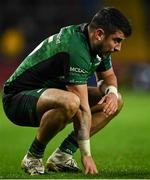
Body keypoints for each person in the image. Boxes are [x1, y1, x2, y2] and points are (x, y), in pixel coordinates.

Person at [2, 7, 132, 175]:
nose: (118, 47)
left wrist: (112, 92)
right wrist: (86, 155)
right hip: (17, 99)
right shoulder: (76, 47)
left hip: (50, 93)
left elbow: (108, 77)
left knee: (117, 99)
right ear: (99, 34)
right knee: (72, 102)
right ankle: (33, 157)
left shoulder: (97, 42)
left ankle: (62, 156)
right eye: (117, 40)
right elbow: (82, 109)